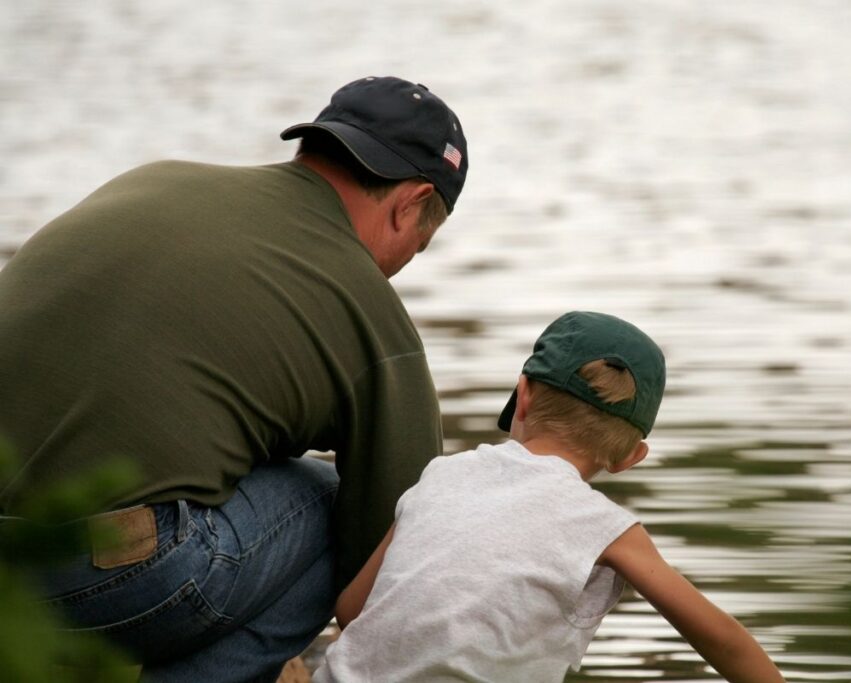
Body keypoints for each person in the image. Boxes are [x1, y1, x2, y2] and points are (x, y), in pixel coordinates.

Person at [0, 76, 468, 682]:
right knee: (332, 502)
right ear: (411, 204)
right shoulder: (366, 308)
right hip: (95, 579)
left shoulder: (154, 179)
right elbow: (394, 572)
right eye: (420, 246)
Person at [313, 311, 786, 683]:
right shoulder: (607, 528)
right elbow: (723, 640)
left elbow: (354, 609)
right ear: (630, 458)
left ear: (523, 397)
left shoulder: (443, 474)